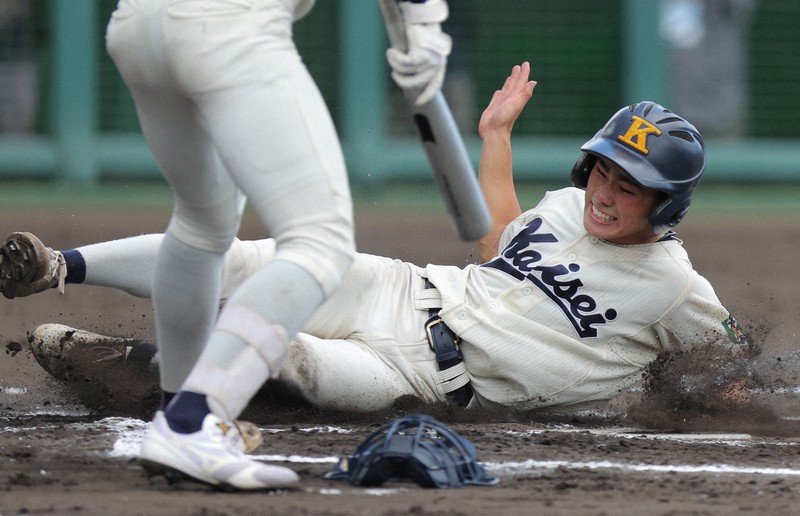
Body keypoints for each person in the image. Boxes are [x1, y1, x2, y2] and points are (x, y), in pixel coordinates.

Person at [3, 61, 749, 472]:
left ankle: (145, 367)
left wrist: (689, 397)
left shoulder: (675, 287)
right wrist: (495, 137)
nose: (607, 195)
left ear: (666, 205)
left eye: (631, 187)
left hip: (424, 383)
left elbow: (729, 361)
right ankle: (53, 264)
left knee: (298, 361)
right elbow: (496, 244)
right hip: (399, 289)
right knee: (257, 262)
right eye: (605, 174)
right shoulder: (564, 205)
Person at [20, 0, 451, 491]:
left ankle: (179, 412)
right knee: (321, 244)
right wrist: (424, 26)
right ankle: (192, 422)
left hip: (138, 25)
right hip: (230, 24)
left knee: (203, 225)